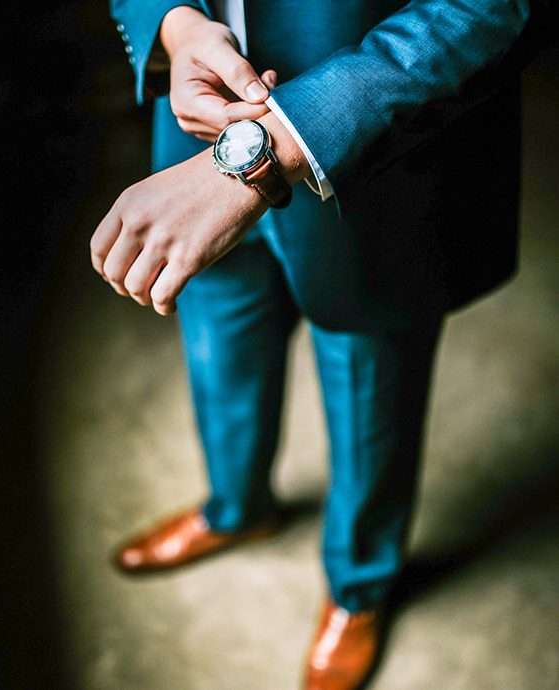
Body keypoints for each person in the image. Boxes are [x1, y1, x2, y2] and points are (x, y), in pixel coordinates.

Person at [90, 1, 537, 688]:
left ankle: (358, 586)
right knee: (218, 340)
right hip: (190, 128)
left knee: (368, 386)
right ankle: (236, 509)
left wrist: (273, 144)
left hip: (375, 158)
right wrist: (175, 23)